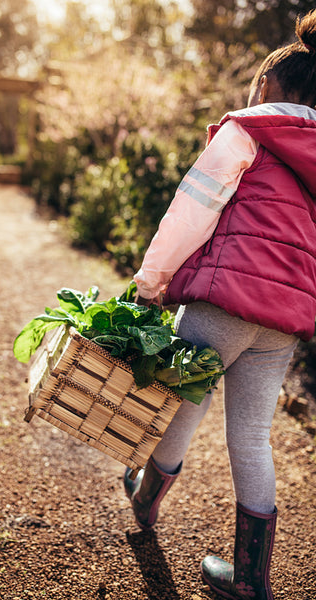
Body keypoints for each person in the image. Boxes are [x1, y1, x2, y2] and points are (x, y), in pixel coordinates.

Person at [123, 9, 316, 600]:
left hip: (223, 302)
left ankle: (146, 501)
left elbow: (192, 210)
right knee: (253, 437)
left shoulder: (247, 131)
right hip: (283, 320)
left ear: (266, 85)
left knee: (183, 404)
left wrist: (151, 280)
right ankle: (251, 581)